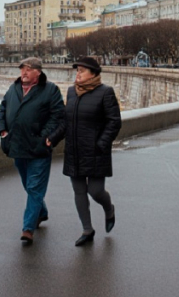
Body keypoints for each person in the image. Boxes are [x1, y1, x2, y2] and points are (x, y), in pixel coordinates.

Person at [50, 57, 122, 246]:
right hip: (74, 150)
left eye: (82, 71)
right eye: (77, 71)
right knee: (79, 191)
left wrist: (102, 143)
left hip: (96, 151)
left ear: (94, 74)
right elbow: (66, 121)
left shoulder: (105, 92)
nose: (78, 74)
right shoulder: (72, 92)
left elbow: (114, 122)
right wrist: (53, 138)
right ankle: (87, 230)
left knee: (96, 191)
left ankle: (109, 209)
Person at [0, 57, 65, 246]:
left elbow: (58, 117)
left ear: (38, 72)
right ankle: (41, 212)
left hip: (39, 147)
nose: (24, 73)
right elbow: (3, 108)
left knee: (35, 187)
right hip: (17, 146)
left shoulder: (50, 90)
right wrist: (2, 130)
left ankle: (28, 228)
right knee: (29, 185)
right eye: (22, 69)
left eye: (28, 69)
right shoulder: (14, 88)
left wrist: (45, 137)